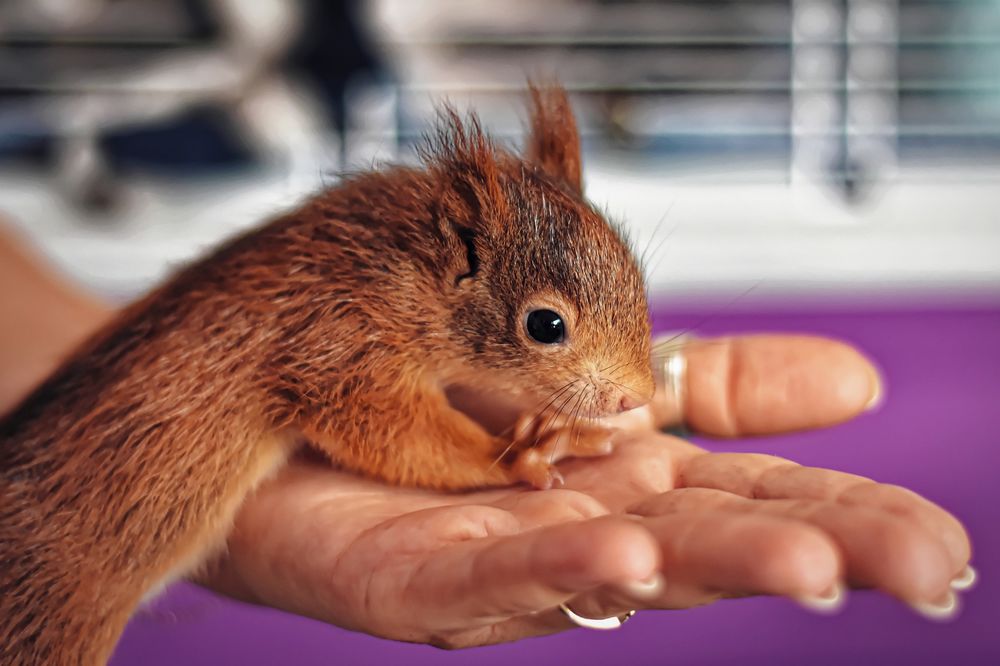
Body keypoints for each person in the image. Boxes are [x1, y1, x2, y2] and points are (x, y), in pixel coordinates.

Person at [0, 221, 972, 650]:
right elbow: (374, 424)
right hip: (61, 543)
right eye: (547, 329)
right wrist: (502, 457)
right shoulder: (356, 318)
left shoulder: (353, 292)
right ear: (450, 266)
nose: (624, 393)